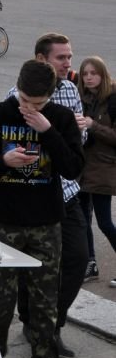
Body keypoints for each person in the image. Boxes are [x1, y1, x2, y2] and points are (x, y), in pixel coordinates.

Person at [0, 59, 83, 358]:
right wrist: (4, 161)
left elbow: (72, 169)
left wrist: (47, 130)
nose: (29, 109)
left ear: (50, 96)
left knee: (44, 310)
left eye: (37, 104)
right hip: (4, 223)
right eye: (24, 101)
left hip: (45, 225)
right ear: (17, 89)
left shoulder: (62, 119)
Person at [15, 32, 91, 357]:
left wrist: (80, 130)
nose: (69, 63)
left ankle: (50, 324)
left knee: (77, 258)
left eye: (70, 57)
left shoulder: (72, 89)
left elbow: (78, 145)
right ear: (41, 60)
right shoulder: (18, 95)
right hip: (34, 193)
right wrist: (58, 131)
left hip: (68, 191)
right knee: (31, 264)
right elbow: (22, 146)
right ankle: (32, 321)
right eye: (62, 58)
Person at [77, 55, 116, 282]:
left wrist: (93, 126)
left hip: (102, 168)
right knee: (82, 220)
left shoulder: (112, 100)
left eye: (94, 73)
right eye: (85, 74)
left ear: (103, 74)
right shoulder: (82, 98)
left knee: (104, 222)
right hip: (82, 168)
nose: (89, 78)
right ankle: (90, 263)